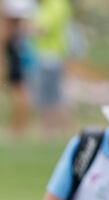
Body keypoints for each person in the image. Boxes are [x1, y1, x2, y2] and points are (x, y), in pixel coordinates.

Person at [31, 0, 72, 134]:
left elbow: (42, 29)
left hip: (49, 56)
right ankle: (59, 128)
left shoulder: (53, 4)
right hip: (54, 55)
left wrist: (26, 28)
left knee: (49, 96)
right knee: (55, 94)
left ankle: (51, 129)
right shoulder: (59, 4)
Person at [0, 0, 37, 135]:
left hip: (19, 65)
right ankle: (18, 127)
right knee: (20, 96)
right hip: (17, 65)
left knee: (20, 97)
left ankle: (19, 127)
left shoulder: (17, 30)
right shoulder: (15, 31)